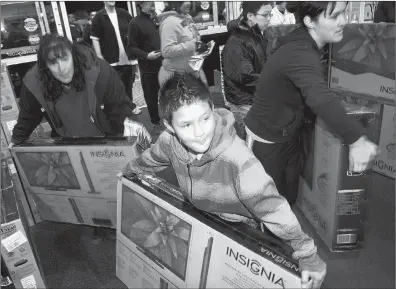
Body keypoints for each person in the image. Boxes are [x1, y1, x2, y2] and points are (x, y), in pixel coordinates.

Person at [122, 73, 326, 289]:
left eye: (205, 118)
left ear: (212, 108)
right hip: (200, 217)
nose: (200, 132)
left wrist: (307, 254)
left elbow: (273, 208)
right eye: (187, 125)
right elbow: (152, 158)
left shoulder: (238, 161)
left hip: (238, 228)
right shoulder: (168, 142)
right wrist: (129, 169)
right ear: (170, 127)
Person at [244, 1, 379, 205]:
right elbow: (319, 97)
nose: (343, 21)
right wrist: (356, 140)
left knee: (288, 197)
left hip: (287, 134)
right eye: (334, 16)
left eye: (344, 13)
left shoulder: (305, 42)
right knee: (268, 206)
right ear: (309, 21)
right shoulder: (300, 51)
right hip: (266, 140)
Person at [9, 34, 149, 147]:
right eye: (53, 63)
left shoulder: (99, 71)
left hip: (106, 142)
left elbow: (119, 106)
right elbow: (28, 116)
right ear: (45, 66)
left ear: (73, 55)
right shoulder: (35, 83)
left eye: (65, 59)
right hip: (68, 145)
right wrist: (16, 141)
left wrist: (131, 133)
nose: (61, 68)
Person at [222, 1, 272, 139]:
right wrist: (272, 82)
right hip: (243, 102)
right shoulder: (236, 42)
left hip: (254, 98)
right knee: (247, 144)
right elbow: (245, 76)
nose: (269, 19)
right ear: (250, 16)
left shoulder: (256, 35)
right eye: (265, 15)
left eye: (270, 15)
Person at [90, 1, 141, 114]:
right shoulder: (99, 17)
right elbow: (95, 38)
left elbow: (133, 31)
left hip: (128, 58)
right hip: (111, 59)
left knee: (128, 85)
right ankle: (117, 110)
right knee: (115, 88)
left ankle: (129, 106)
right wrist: (99, 56)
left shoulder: (124, 13)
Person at [127, 2, 163, 133]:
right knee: (151, 96)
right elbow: (131, 48)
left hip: (165, 65)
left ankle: (171, 118)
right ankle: (156, 122)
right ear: (140, 4)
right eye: (149, 2)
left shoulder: (157, 19)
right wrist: (146, 55)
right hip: (149, 67)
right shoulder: (135, 23)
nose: (152, 4)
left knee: (167, 94)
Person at [158, 1, 209, 87]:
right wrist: (194, 45)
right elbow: (166, 51)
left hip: (193, 74)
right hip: (176, 79)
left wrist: (199, 47)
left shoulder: (186, 18)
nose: (189, 3)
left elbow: (192, 38)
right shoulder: (169, 23)